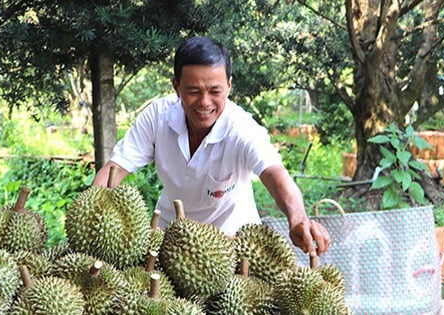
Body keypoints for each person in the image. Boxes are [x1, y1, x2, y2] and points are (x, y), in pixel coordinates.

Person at [92, 36, 330, 258]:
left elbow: (274, 173)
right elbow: (117, 167)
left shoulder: (241, 128)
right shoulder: (157, 117)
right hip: (170, 243)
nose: (204, 102)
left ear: (229, 86)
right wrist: (91, 210)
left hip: (232, 246)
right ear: (176, 87)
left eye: (215, 91)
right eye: (193, 91)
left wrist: (298, 219)